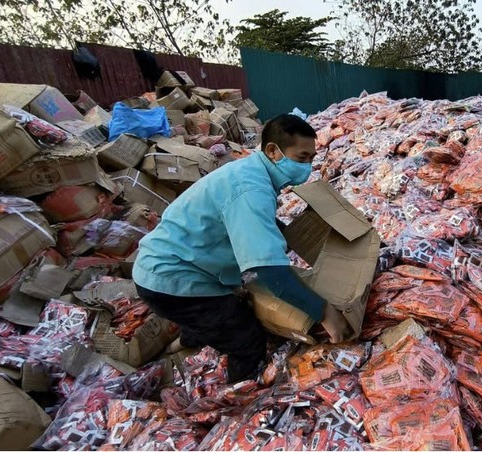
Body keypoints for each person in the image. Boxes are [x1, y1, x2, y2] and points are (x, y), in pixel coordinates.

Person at [132, 114, 350, 382]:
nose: (307, 167)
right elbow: (270, 274)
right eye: (302, 158)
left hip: (165, 264)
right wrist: (325, 313)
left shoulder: (251, 171)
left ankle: (186, 341)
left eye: (311, 159)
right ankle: (235, 407)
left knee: (220, 313)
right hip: (172, 279)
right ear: (273, 151)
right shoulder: (250, 189)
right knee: (246, 339)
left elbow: (259, 223)